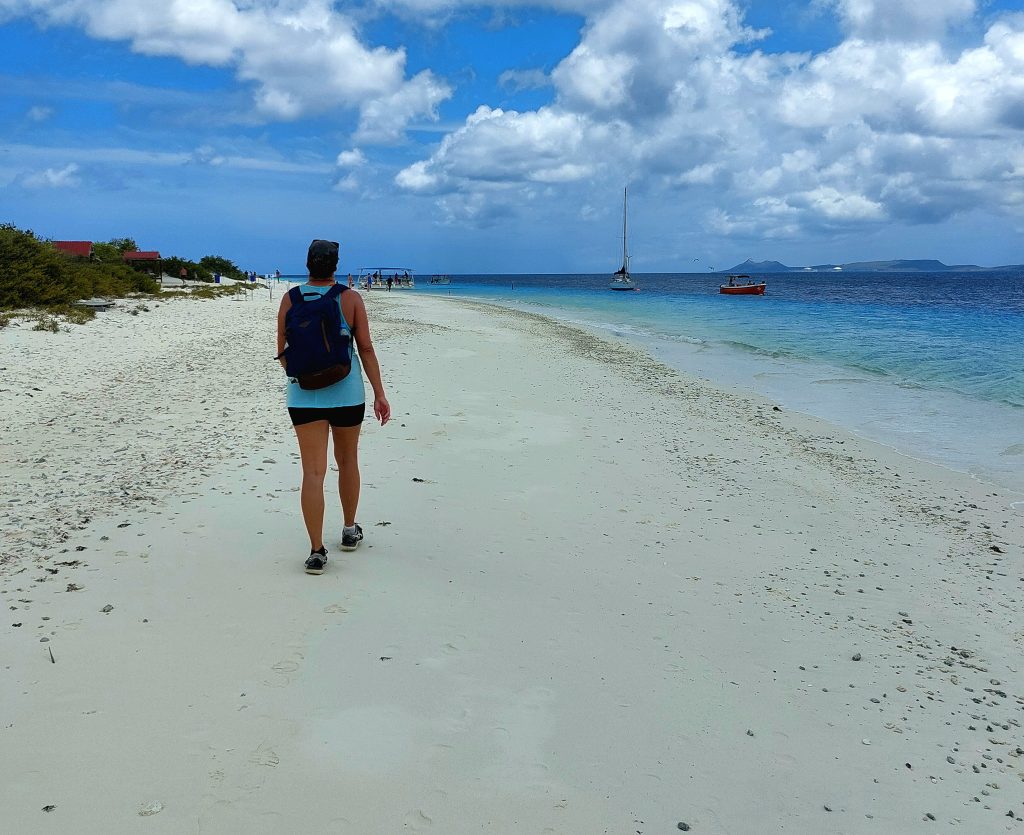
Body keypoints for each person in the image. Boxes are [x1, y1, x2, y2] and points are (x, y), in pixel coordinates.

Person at [276, 239, 391, 575]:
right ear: (335, 265)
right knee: (347, 460)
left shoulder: (290, 298)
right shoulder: (350, 298)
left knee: (313, 472)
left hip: (303, 396)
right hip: (347, 393)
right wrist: (380, 393)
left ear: (308, 263)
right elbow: (366, 350)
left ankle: (315, 552)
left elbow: (282, 352)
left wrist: (307, 377)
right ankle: (350, 530)